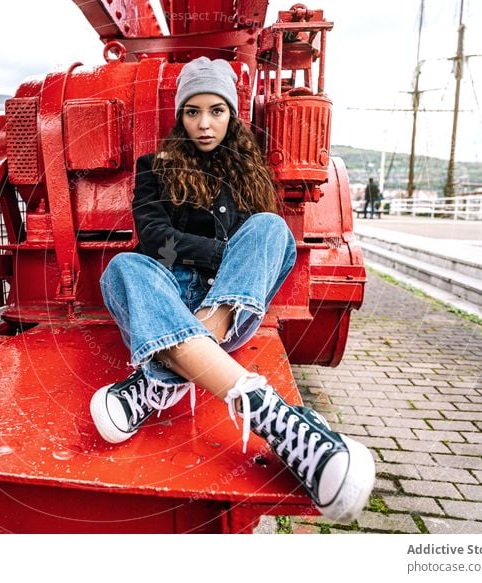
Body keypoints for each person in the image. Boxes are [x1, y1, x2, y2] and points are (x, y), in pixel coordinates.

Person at [90, 57, 375, 524]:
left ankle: (160, 380)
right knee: (124, 266)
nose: (204, 124)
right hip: (168, 295)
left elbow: (255, 246)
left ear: (232, 114)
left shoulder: (248, 170)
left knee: (269, 228)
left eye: (216, 110)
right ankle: (273, 418)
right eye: (193, 111)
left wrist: (217, 255)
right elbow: (153, 236)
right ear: (180, 116)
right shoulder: (154, 167)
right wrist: (224, 250)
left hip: (229, 303)